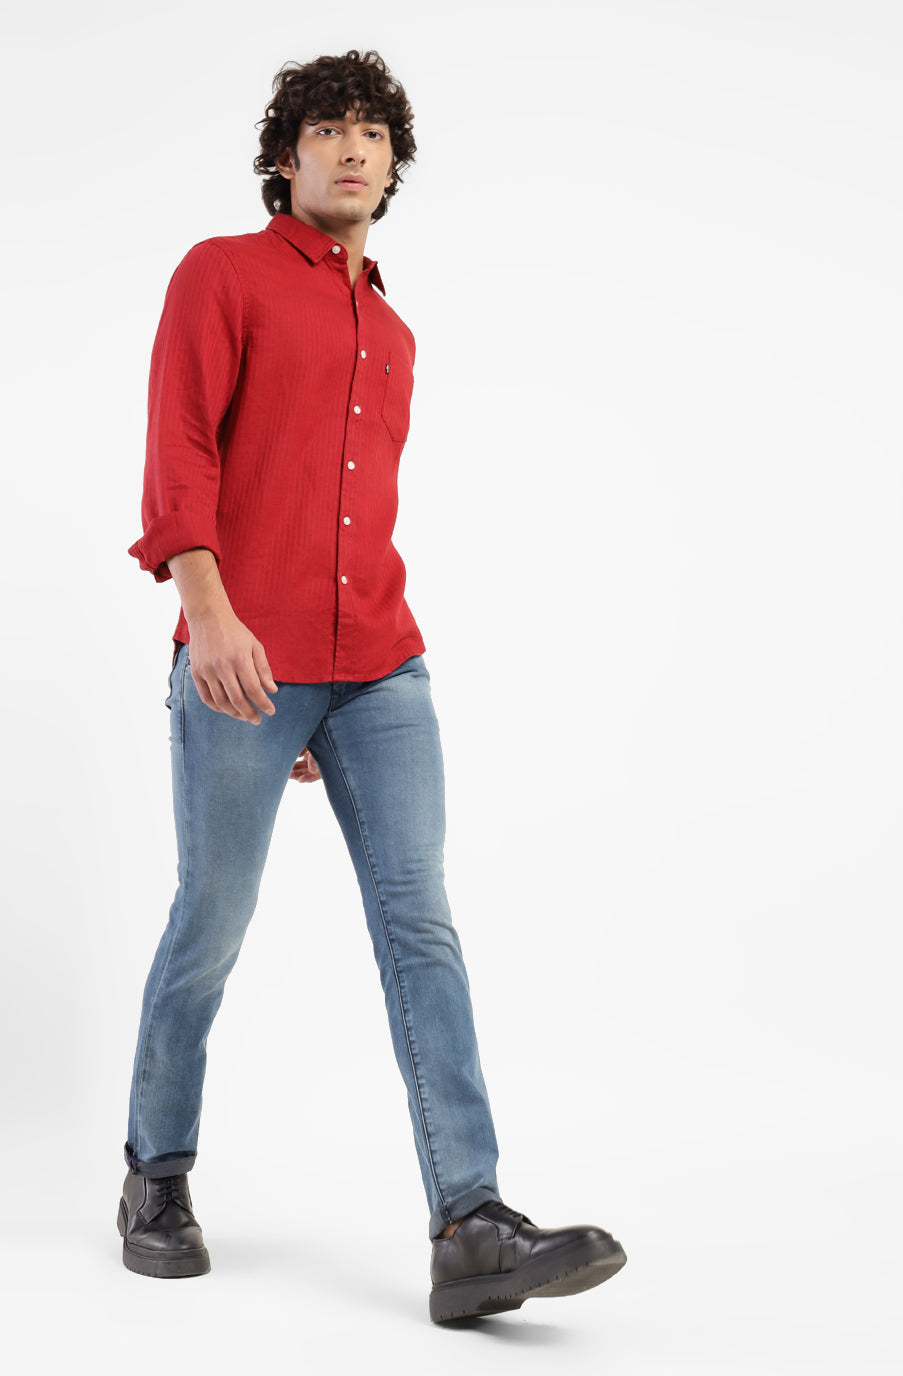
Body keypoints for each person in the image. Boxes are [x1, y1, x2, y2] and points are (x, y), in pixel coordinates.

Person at [118, 49, 626, 1322]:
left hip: (380, 664)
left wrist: (335, 671)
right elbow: (181, 449)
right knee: (211, 918)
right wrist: (210, 618)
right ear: (283, 157)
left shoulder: (393, 332)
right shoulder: (220, 274)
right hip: (243, 660)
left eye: (372, 134)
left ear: (392, 164)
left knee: (420, 924)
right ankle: (155, 1173)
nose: (350, 149)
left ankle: (470, 1223)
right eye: (325, 130)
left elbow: (351, 506)